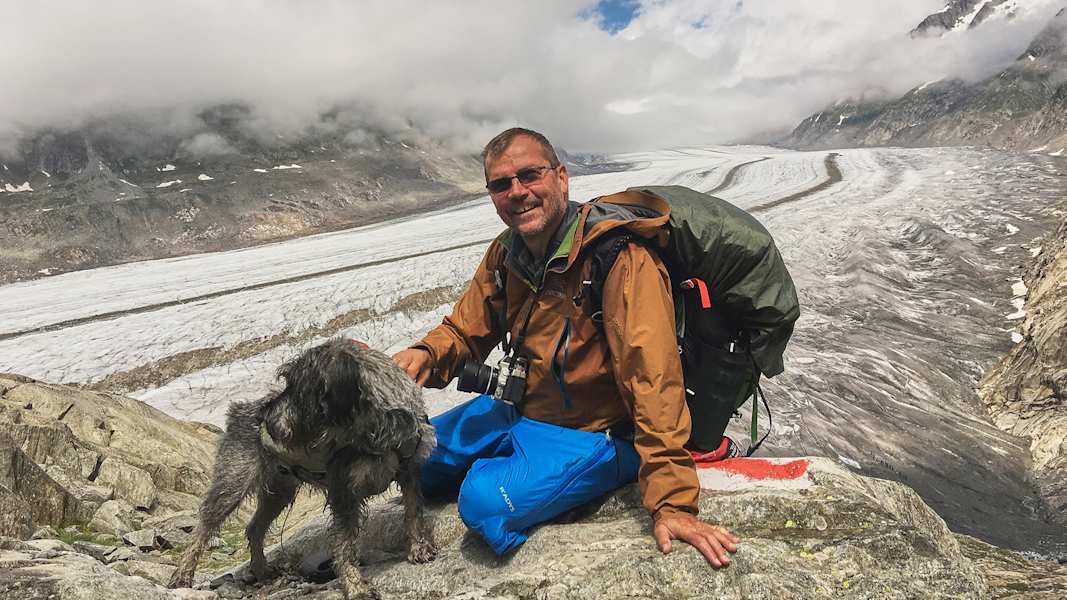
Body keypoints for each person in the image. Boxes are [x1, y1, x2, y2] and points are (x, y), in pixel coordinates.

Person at [392, 127, 739, 567]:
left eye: (530, 175)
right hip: (522, 409)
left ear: (561, 177)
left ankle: (524, 477)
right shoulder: (508, 254)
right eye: (501, 184)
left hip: (593, 433)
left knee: (482, 503)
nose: (517, 192)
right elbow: (465, 331)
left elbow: (651, 378)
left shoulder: (618, 258)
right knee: (411, 453)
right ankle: (502, 461)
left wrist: (673, 503)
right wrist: (425, 354)